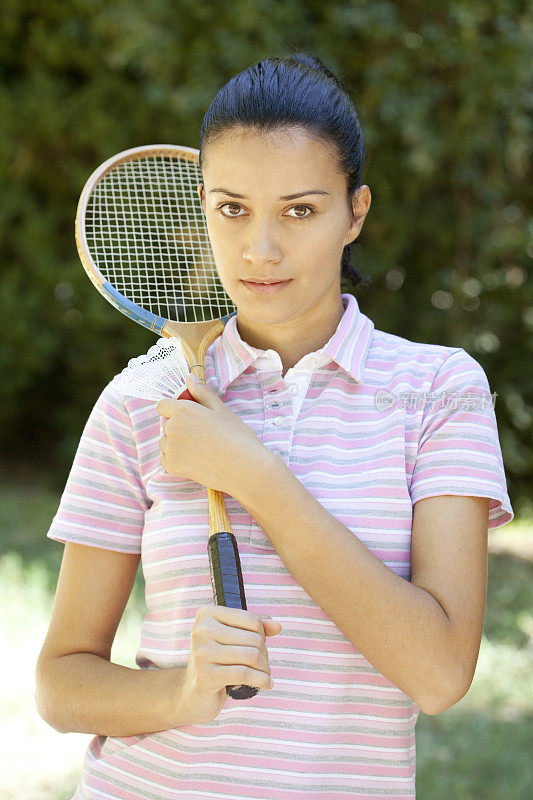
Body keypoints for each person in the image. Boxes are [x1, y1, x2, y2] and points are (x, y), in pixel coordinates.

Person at [35, 53, 514, 800]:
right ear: (204, 207)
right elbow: (61, 681)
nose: (260, 249)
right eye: (232, 208)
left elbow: (439, 674)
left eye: (299, 210)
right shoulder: (142, 399)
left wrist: (253, 475)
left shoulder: (437, 390)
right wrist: (179, 692)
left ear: (355, 211)